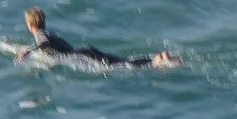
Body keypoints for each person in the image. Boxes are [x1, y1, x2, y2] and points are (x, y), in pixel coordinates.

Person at [17, 8, 182, 70]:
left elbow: (43, 44)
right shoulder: (50, 32)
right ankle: (156, 59)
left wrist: (28, 52)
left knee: (120, 66)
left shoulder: (41, 35)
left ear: (30, 25)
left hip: (80, 57)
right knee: (122, 62)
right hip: (85, 51)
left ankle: (156, 62)